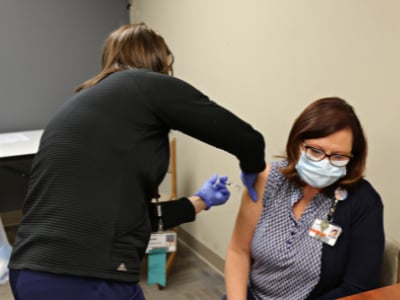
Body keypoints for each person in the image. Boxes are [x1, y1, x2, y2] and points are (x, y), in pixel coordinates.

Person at [8, 23, 266, 300]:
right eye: (169, 62)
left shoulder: (81, 105)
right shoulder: (147, 84)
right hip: (85, 276)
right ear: (159, 59)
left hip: (29, 272)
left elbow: (128, 219)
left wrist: (199, 201)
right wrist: (253, 169)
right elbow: (247, 140)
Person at [223, 97, 384, 300]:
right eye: (315, 151)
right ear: (298, 143)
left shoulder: (363, 202)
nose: (325, 163)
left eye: (338, 156)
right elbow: (239, 251)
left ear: (352, 157)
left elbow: (357, 288)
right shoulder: (268, 179)